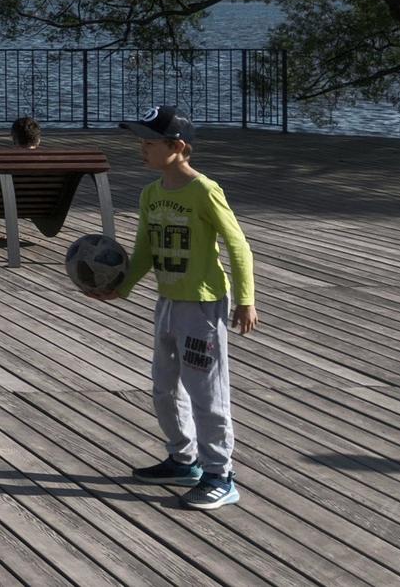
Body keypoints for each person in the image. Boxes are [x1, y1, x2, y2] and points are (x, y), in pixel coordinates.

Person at [86, 105, 257, 511]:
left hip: (202, 306)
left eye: (150, 142)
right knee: (164, 388)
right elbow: (145, 250)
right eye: (141, 142)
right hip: (167, 301)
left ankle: (220, 475)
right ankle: (184, 460)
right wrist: (121, 288)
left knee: (206, 393)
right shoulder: (151, 194)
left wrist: (246, 299)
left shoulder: (204, 191)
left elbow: (238, 245)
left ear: (177, 146)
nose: (142, 149)